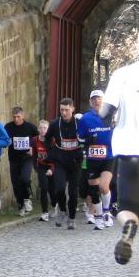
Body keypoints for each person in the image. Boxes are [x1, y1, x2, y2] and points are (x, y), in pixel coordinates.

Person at [98, 27, 139, 277]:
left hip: (131, 149)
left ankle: (128, 227)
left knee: (128, 205)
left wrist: (113, 123)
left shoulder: (122, 75)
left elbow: (105, 112)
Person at [77, 89, 115, 230]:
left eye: (99, 98)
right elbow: (80, 137)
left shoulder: (111, 116)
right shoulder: (85, 118)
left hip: (108, 156)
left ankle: (106, 212)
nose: (96, 101)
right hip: (92, 157)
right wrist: (88, 140)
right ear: (90, 102)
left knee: (103, 186)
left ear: (103, 101)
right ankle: (98, 217)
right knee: (93, 189)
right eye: (94, 99)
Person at [44, 98, 83, 230]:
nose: (64, 113)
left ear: (73, 109)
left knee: (73, 192)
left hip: (75, 162)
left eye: (66, 110)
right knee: (59, 189)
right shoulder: (55, 124)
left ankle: (71, 218)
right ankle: (62, 210)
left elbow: (88, 136)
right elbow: (47, 138)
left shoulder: (79, 123)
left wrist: (83, 150)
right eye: (62, 110)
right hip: (60, 161)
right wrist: (51, 152)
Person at [4, 107, 39, 216]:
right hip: (14, 158)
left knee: (24, 178)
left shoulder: (30, 127)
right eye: (14, 117)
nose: (16, 119)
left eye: (18, 117)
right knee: (15, 183)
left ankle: (27, 198)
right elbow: (4, 139)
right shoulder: (8, 127)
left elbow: (39, 139)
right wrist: (6, 142)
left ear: (23, 116)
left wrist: (33, 148)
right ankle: (21, 205)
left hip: (26, 158)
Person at [32, 119, 57, 222]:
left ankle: (55, 205)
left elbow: (56, 157)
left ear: (48, 129)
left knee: (52, 190)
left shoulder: (52, 140)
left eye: (45, 128)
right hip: (41, 166)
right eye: (41, 128)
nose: (42, 130)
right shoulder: (35, 140)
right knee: (44, 188)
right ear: (38, 129)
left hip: (52, 166)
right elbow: (34, 154)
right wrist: (35, 166)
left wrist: (52, 169)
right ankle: (45, 212)